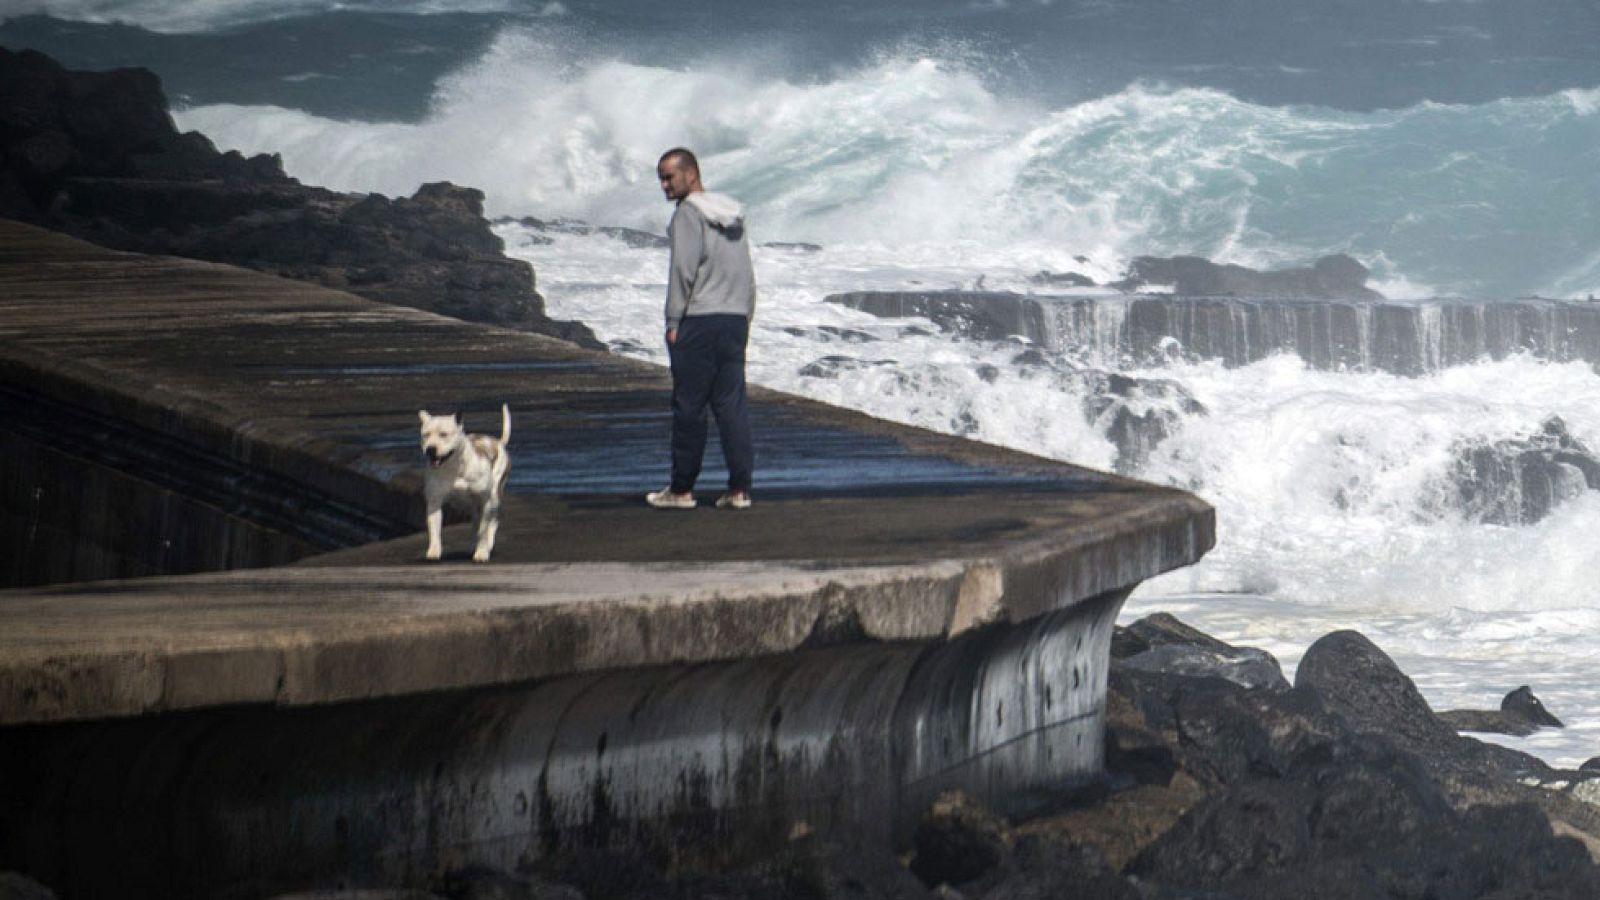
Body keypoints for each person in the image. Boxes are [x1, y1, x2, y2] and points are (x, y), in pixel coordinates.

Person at [645, 147, 757, 510]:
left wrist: (673, 320)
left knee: (689, 408)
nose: (663, 185)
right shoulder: (732, 215)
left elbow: (683, 270)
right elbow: (747, 275)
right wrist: (745, 318)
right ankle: (739, 490)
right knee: (731, 407)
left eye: (669, 177)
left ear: (691, 175)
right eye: (661, 178)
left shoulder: (688, 215)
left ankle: (680, 491)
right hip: (734, 320)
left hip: (700, 322)